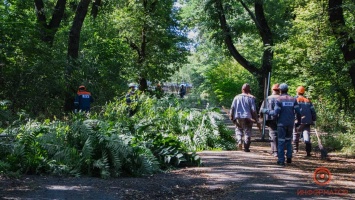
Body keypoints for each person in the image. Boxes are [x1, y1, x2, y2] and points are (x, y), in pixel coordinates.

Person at [261, 83, 301, 166]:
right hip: (290, 123)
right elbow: (298, 112)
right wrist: (298, 122)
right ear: (287, 90)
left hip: (281, 124)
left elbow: (275, 113)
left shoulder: (279, 100)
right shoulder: (293, 99)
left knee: (281, 141)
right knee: (288, 140)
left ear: (280, 90)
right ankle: (289, 156)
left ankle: (281, 160)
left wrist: (266, 111)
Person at [230, 83, 259, 152]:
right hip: (247, 118)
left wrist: (231, 116)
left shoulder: (236, 97)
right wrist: (256, 119)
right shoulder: (251, 98)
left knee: (238, 130)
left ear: (242, 89)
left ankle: (239, 141)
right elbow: (253, 110)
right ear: (249, 90)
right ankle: (246, 147)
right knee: (247, 132)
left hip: (238, 117)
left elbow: (232, 108)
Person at [292, 86, 317, 156]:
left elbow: (293, 110)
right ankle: (308, 152)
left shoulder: (295, 100)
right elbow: (313, 111)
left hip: (298, 120)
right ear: (303, 92)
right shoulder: (308, 100)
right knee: (306, 135)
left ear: (297, 92)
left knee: (295, 135)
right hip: (307, 121)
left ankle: (295, 150)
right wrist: (314, 119)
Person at [259, 83, 280, 157]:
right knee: (281, 134)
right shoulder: (282, 98)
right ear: (279, 90)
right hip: (281, 119)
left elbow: (261, 109)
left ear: (272, 90)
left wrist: (261, 118)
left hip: (270, 119)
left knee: (273, 134)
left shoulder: (268, 98)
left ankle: (275, 151)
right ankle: (280, 150)